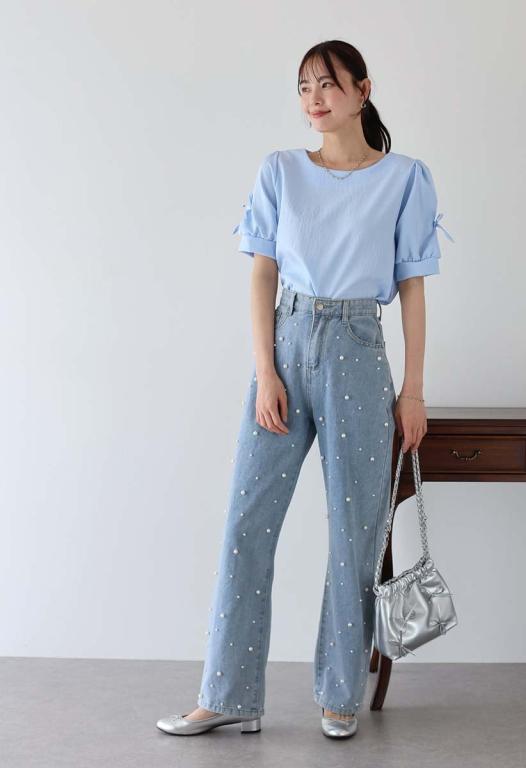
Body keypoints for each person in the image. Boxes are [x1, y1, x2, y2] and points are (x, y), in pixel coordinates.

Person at [156, 39, 454, 741]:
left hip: (358, 351)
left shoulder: (405, 178)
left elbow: (412, 287)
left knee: (355, 531)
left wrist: (413, 390)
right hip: (286, 346)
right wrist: (266, 371)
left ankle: (340, 694)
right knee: (246, 522)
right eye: (303, 87)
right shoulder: (281, 170)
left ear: (362, 90)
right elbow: (262, 272)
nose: (313, 99)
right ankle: (228, 694)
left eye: (327, 84)